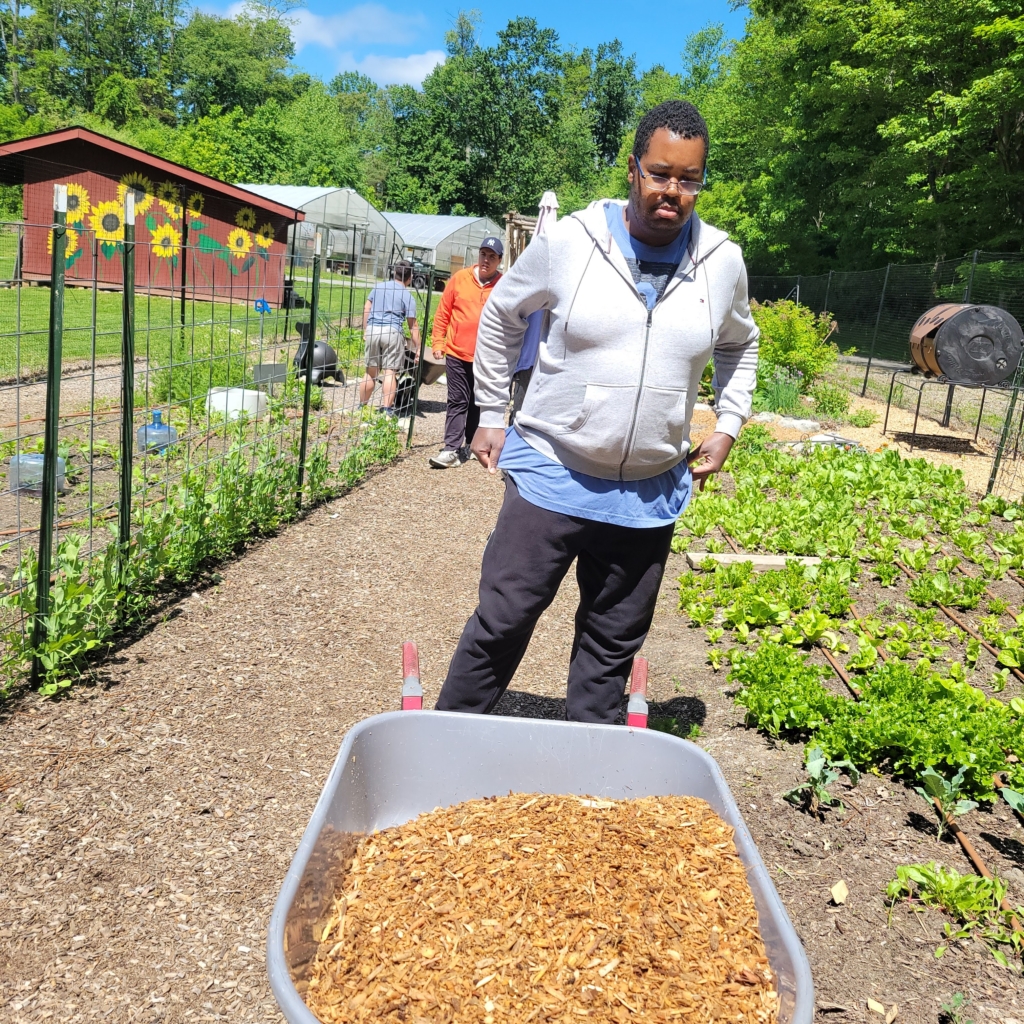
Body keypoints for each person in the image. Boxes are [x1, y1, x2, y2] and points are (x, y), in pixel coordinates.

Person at [435, 100, 759, 722]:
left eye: (689, 179)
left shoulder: (721, 262)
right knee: (503, 621)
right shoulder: (570, 242)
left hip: (645, 493)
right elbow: (503, 315)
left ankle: (587, 780)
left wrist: (729, 423)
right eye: (661, 173)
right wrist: (494, 414)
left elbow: (740, 342)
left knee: (610, 646)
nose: (674, 191)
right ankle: (442, 741)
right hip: (553, 472)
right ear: (634, 169)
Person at [428, 238, 504, 468]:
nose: (486, 260)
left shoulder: (503, 284)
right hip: (457, 352)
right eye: (483, 254)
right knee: (458, 400)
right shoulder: (460, 279)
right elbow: (443, 312)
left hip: (487, 355)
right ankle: (450, 449)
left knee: (478, 401)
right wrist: (438, 343)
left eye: (492, 257)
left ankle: (472, 443)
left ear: (499, 261)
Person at [360, 260, 419, 414]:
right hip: (392, 332)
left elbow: (367, 307)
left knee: (370, 372)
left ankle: (362, 406)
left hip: (373, 330)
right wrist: (418, 347)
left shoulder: (378, 287)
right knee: (389, 372)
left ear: (394, 272)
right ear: (410, 277)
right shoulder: (408, 296)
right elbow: (413, 326)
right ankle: (387, 409)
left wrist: (366, 329)